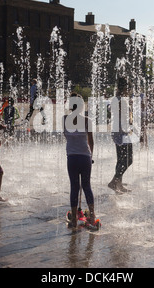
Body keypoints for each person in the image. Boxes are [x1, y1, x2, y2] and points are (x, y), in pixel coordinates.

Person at [63, 93, 95, 228]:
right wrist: (90, 156)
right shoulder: (87, 120)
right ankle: (92, 216)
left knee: (74, 187)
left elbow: (67, 136)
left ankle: (75, 219)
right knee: (87, 186)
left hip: (72, 157)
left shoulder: (64, 119)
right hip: (85, 157)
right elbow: (91, 141)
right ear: (81, 106)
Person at [108, 78, 133, 194]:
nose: (130, 90)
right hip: (122, 132)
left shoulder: (117, 99)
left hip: (118, 132)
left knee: (121, 159)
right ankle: (115, 181)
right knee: (128, 159)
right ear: (124, 88)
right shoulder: (120, 101)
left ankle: (118, 185)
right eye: (128, 88)